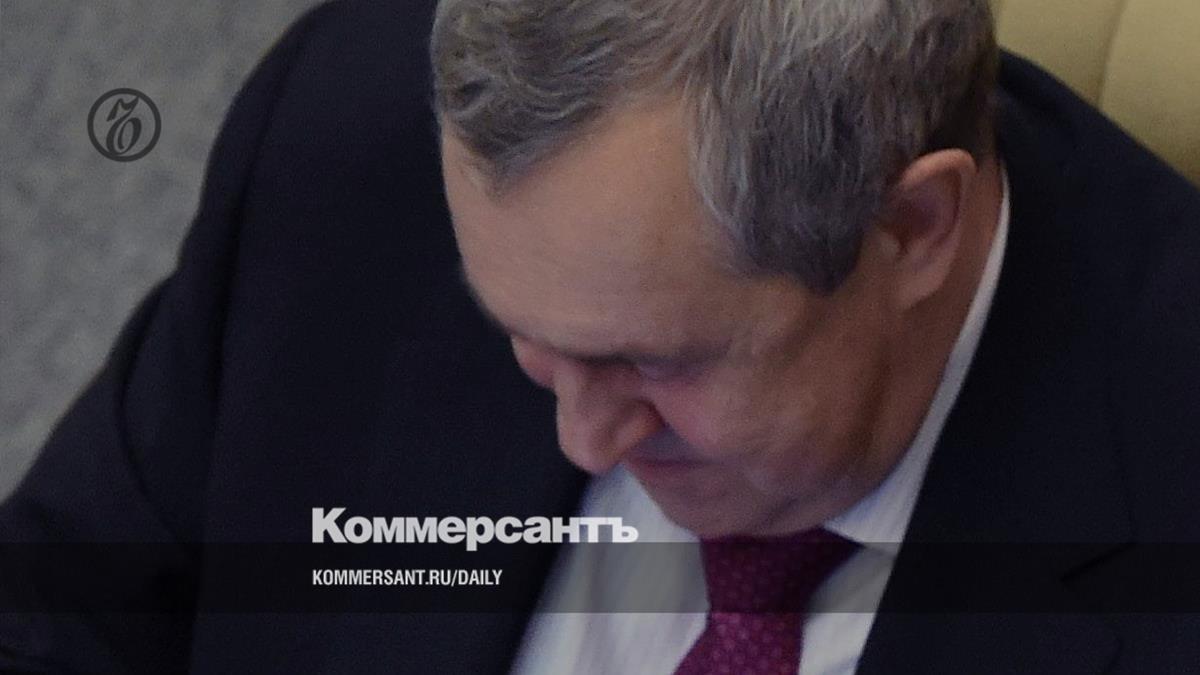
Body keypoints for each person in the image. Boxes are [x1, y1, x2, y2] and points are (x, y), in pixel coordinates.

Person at [2, 0, 1198, 673]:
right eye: (521, 335)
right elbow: (60, 612)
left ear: (910, 230)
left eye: (650, 361)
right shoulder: (349, 150)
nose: (582, 437)